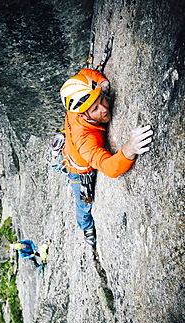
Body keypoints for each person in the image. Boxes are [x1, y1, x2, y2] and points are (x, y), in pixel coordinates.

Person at [59, 68, 153, 247]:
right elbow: (109, 168)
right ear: (83, 114)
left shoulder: (79, 96)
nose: (104, 108)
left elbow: (84, 72)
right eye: (95, 109)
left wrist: (101, 82)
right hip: (79, 171)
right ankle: (85, 227)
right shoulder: (85, 140)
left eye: (101, 99)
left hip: (71, 150)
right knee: (83, 204)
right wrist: (129, 148)